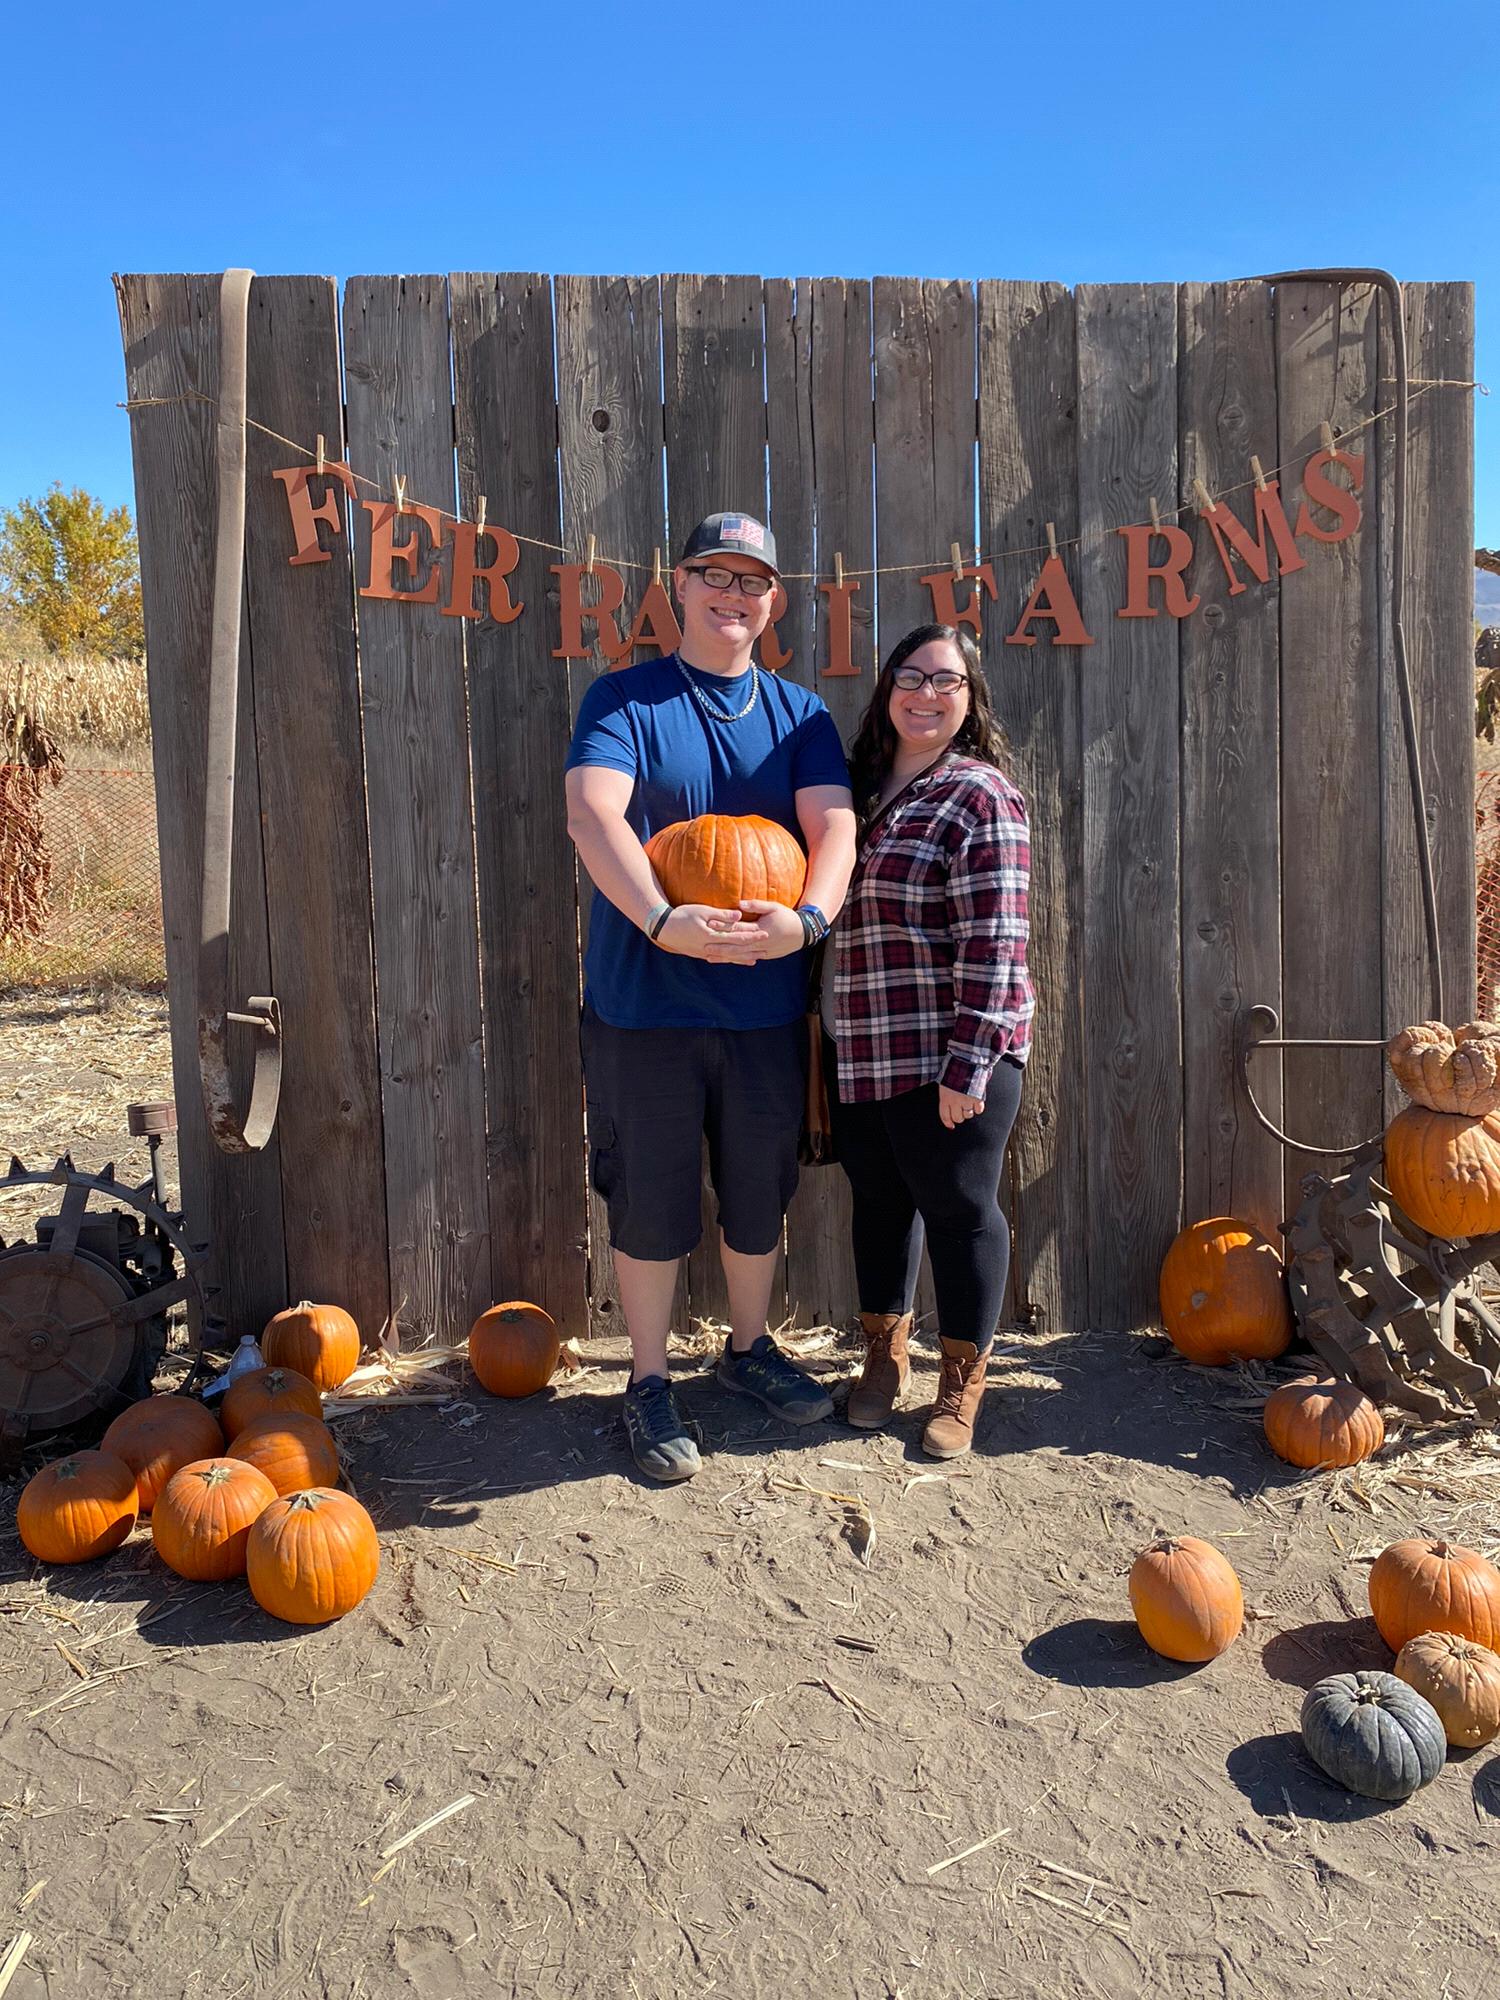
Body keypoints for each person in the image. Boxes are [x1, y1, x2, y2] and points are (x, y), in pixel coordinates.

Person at [565, 512, 856, 1483]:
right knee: (646, 1193)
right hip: (642, 1004)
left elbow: (834, 829)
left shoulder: (801, 714)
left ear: (773, 601)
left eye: (754, 582)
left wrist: (808, 920)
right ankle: (648, 1378)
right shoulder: (625, 700)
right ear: (678, 586)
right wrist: (658, 918)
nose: (735, 595)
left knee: (756, 1194)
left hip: (763, 1008)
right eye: (716, 576)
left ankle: (746, 1349)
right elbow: (591, 809)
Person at [825, 623, 1033, 1459]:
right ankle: (885, 1357)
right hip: (863, 1043)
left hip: (947, 1051)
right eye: (910, 676)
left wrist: (970, 1062)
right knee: (877, 1205)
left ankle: (962, 1379)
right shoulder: (856, 790)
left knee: (958, 1210)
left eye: (946, 681)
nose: (925, 693)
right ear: (886, 689)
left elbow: (997, 942)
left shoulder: (979, 796)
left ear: (969, 699)